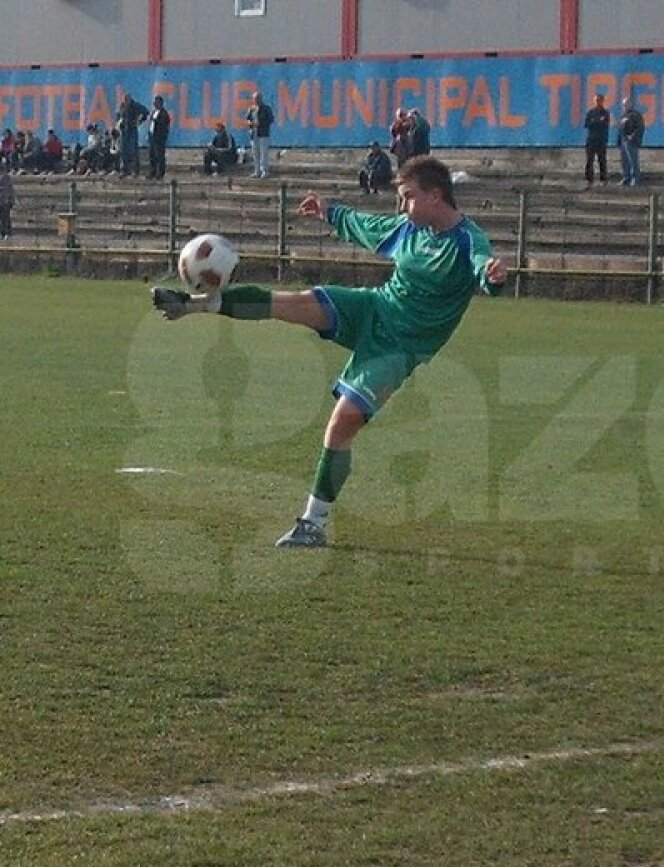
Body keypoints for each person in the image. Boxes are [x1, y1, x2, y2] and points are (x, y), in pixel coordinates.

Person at [150, 155, 508, 549]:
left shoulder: (467, 240)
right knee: (294, 303)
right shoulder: (408, 229)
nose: (402, 205)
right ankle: (192, 306)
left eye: (408, 196)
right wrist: (329, 212)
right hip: (373, 309)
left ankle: (313, 523)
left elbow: (483, 267)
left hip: (400, 346)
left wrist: (492, 277)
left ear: (435, 196)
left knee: (343, 422)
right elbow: (364, 225)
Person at [616, 97, 645, 187]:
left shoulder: (636, 115)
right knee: (624, 161)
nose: (625, 106)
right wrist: (618, 141)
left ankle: (635, 179)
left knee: (633, 161)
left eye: (626, 104)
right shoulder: (623, 116)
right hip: (623, 141)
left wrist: (632, 137)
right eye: (623, 104)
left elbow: (640, 128)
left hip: (631, 142)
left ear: (631, 104)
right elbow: (620, 130)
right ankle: (626, 177)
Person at [117, 93, 149, 176]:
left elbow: (146, 112)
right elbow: (119, 116)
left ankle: (135, 170)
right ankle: (125, 170)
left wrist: (139, 121)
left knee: (133, 150)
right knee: (124, 150)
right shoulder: (122, 106)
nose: (126, 100)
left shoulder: (135, 105)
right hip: (124, 131)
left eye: (127, 99)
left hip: (132, 130)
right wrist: (120, 123)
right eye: (125, 99)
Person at [245, 90, 275, 178]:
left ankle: (265, 171)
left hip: (263, 134)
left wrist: (261, 124)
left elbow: (271, 120)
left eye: (258, 98)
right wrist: (250, 123)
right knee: (255, 154)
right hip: (254, 134)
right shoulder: (251, 109)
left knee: (263, 154)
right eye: (255, 99)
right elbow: (247, 119)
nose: (256, 100)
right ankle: (257, 171)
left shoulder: (266, 108)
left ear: (261, 98)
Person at [583, 93, 610, 187]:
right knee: (589, 161)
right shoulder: (590, 112)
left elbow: (605, 125)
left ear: (603, 101)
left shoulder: (605, 113)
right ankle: (589, 180)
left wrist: (595, 121)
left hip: (601, 141)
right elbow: (586, 124)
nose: (598, 102)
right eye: (596, 100)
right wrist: (598, 121)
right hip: (591, 140)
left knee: (602, 160)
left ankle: (603, 179)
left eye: (599, 100)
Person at [147, 95, 171, 180]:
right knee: (152, 156)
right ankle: (152, 171)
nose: (155, 104)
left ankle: (160, 173)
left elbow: (163, 125)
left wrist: (154, 120)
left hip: (159, 138)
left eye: (156, 103)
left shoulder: (164, 113)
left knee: (159, 156)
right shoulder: (153, 112)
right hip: (152, 137)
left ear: (160, 103)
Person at [0, 168, 14, 239]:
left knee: (5, 218)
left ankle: (6, 233)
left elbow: (11, 191)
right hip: (3, 201)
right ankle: (3, 233)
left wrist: (11, 201)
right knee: (3, 219)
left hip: (5, 201)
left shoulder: (7, 178)